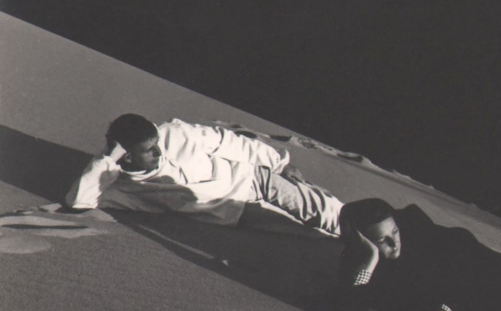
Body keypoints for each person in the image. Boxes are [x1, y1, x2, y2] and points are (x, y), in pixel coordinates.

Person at [66, 114, 341, 234]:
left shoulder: (176, 132)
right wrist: (105, 160)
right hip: (235, 213)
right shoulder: (119, 186)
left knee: (326, 211)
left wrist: (278, 163)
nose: (159, 153)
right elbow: (79, 201)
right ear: (125, 156)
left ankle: (379, 233)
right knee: (314, 234)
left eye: (158, 144)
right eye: (149, 151)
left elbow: (230, 142)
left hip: (252, 178)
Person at [332, 198, 501, 311]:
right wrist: (370, 258)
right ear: (361, 242)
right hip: (449, 283)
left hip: (459, 254)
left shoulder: (415, 234)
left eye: (395, 231)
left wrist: (444, 307)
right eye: (383, 241)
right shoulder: (357, 261)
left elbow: (455, 265)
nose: (395, 243)